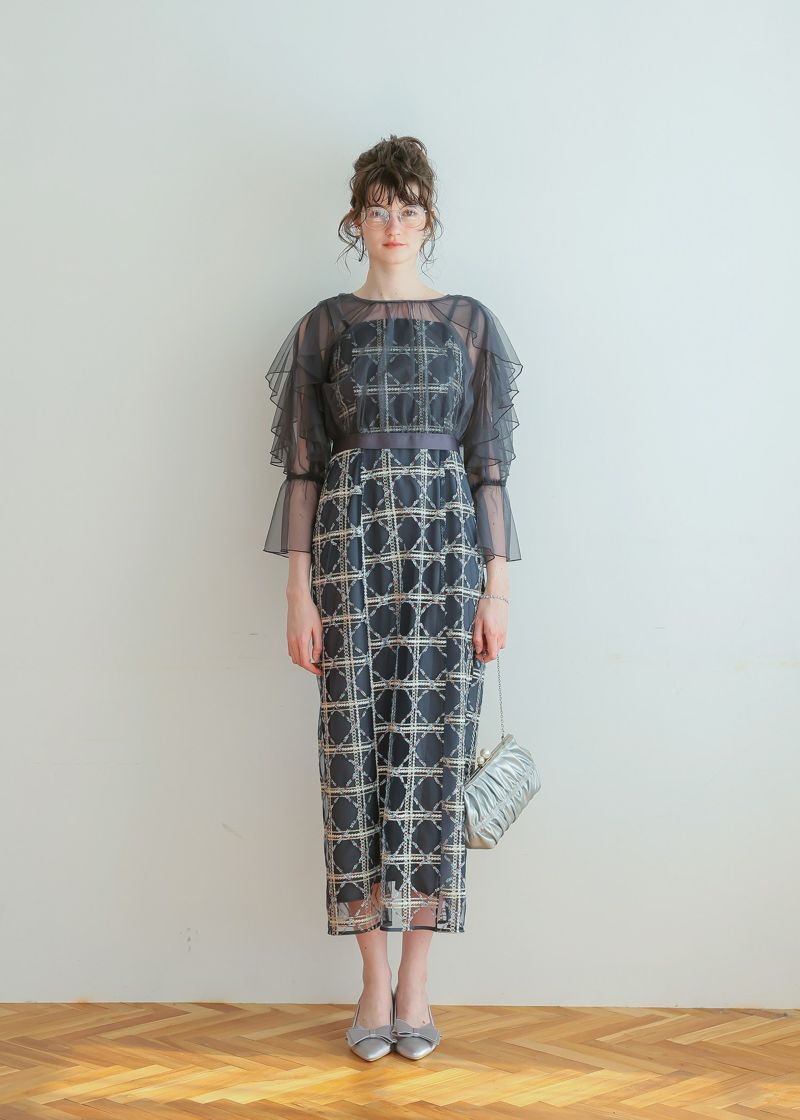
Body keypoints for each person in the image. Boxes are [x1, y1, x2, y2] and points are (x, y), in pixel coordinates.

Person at [262, 133, 523, 1060]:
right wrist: (298, 595)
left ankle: (417, 982)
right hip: (350, 553)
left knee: (430, 761)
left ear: (428, 217)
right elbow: (302, 470)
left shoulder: (470, 324)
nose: (393, 224)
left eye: (408, 208)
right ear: (356, 219)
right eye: (378, 208)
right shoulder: (324, 327)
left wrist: (497, 588)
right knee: (355, 761)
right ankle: (372, 983)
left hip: (447, 557)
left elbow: (489, 468)